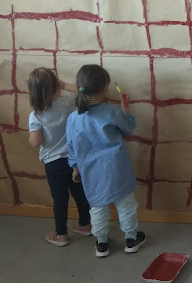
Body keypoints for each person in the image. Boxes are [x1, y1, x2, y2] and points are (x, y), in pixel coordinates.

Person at [66, 64, 146, 258]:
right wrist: (126, 109)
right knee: (126, 204)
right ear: (105, 88)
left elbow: (71, 146)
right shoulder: (111, 112)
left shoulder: (73, 118)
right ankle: (131, 239)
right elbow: (128, 128)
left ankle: (101, 243)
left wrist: (75, 167)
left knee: (97, 207)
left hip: (90, 170)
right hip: (117, 167)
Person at [27, 67, 91, 246]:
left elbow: (35, 142)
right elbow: (86, 95)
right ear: (57, 86)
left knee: (60, 199)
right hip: (75, 159)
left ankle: (61, 234)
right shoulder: (68, 102)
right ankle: (85, 224)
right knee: (80, 194)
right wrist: (66, 86)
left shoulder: (36, 115)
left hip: (53, 163)